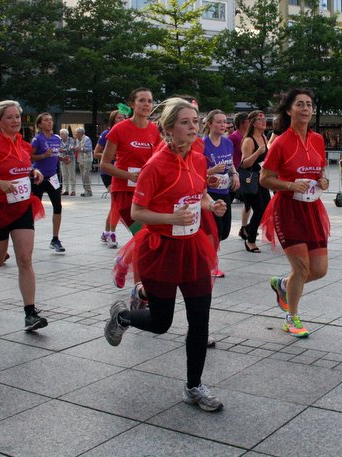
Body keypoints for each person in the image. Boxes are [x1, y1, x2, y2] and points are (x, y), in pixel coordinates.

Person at [104, 97, 226, 412]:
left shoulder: (198, 159)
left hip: (193, 248)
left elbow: (199, 193)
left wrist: (211, 204)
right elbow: (137, 212)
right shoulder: (155, 165)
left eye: (195, 121)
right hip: (161, 249)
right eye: (185, 122)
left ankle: (194, 386)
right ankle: (122, 316)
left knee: (200, 319)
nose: (193, 127)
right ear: (169, 129)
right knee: (161, 323)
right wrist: (171, 218)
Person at [0, 100, 48, 331]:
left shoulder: (24, 145)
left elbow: (22, 168)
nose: (15, 121)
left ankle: (30, 313)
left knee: (25, 259)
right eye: (10, 117)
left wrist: (34, 172)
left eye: (18, 117)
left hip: (22, 206)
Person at [259, 89, 330, 338]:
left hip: (312, 208)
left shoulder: (318, 139)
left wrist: (323, 181)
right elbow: (264, 179)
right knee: (301, 268)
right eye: (300, 104)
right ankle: (291, 318)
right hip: (287, 209)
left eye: (309, 104)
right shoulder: (280, 142)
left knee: (319, 270)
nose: (306, 109)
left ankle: (284, 284)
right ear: (289, 110)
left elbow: (320, 171)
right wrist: (289, 185)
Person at [99, 88, 162, 299]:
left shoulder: (154, 130)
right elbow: (104, 164)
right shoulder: (120, 129)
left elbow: (159, 160)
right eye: (142, 100)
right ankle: (139, 289)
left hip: (147, 192)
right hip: (124, 191)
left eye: (150, 101)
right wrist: (130, 175)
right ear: (132, 104)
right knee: (142, 236)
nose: (146, 104)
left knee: (147, 235)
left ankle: (123, 262)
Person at [203, 109, 240, 278]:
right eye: (218, 122)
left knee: (224, 231)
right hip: (209, 193)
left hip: (224, 190)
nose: (223, 125)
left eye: (224, 122)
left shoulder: (228, 143)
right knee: (215, 232)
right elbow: (196, 170)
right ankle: (212, 265)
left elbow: (229, 162)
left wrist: (235, 174)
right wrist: (211, 171)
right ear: (210, 124)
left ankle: (204, 253)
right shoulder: (202, 144)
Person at [30, 113, 66, 252]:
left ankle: (55, 239)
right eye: (46, 120)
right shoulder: (37, 139)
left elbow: (55, 154)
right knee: (33, 209)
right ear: (40, 124)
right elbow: (29, 156)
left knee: (58, 207)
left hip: (53, 177)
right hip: (38, 178)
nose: (50, 122)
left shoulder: (57, 138)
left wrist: (62, 159)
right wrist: (43, 156)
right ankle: (27, 237)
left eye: (51, 120)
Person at [239, 110, 271, 253]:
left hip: (262, 179)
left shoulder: (263, 137)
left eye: (264, 119)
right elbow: (244, 163)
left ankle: (248, 230)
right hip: (250, 180)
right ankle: (250, 240)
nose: (264, 121)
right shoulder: (248, 140)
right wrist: (257, 153)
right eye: (260, 119)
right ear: (253, 123)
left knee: (266, 209)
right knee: (259, 210)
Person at [94, 110, 127, 247]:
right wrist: (109, 155)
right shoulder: (106, 134)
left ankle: (106, 232)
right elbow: (96, 153)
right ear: (113, 120)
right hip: (108, 172)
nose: (122, 119)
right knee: (116, 204)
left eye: (123, 117)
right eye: (119, 118)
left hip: (122, 173)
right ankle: (111, 234)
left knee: (115, 205)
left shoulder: (127, 134)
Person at [228, 112, 251, 240]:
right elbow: (228, 156)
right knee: (228, 201)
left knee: (248, 202)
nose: (250, 123)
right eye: (248, 121)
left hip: (246, 174)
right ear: (243, 123)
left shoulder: (248, 136)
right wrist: (233, 172)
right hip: (235, 175)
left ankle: (244, 227)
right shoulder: (233, 137)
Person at [75, 127, 93, 197]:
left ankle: (89, 191)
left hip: (87, 159)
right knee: (82, 176)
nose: (76, 134)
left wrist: (80, 149)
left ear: (81, 133)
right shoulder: (77, 140)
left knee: (86, 175)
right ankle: (85, 190)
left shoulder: (87, 139)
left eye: (77, 133)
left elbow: (89, 149)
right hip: (80, 159)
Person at [59, 128, 77, 196]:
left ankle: (73, 190)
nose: (61, 135)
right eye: (60, 134)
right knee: (64, 175)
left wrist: (63, 150)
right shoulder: (60, 140)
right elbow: (58, 148)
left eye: (62, 134)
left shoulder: (71, 140)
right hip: (62, 159)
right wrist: (61, 150)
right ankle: (65, 190)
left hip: (70, 159)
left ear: (66, 134)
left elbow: (71, 148)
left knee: (72, 175)